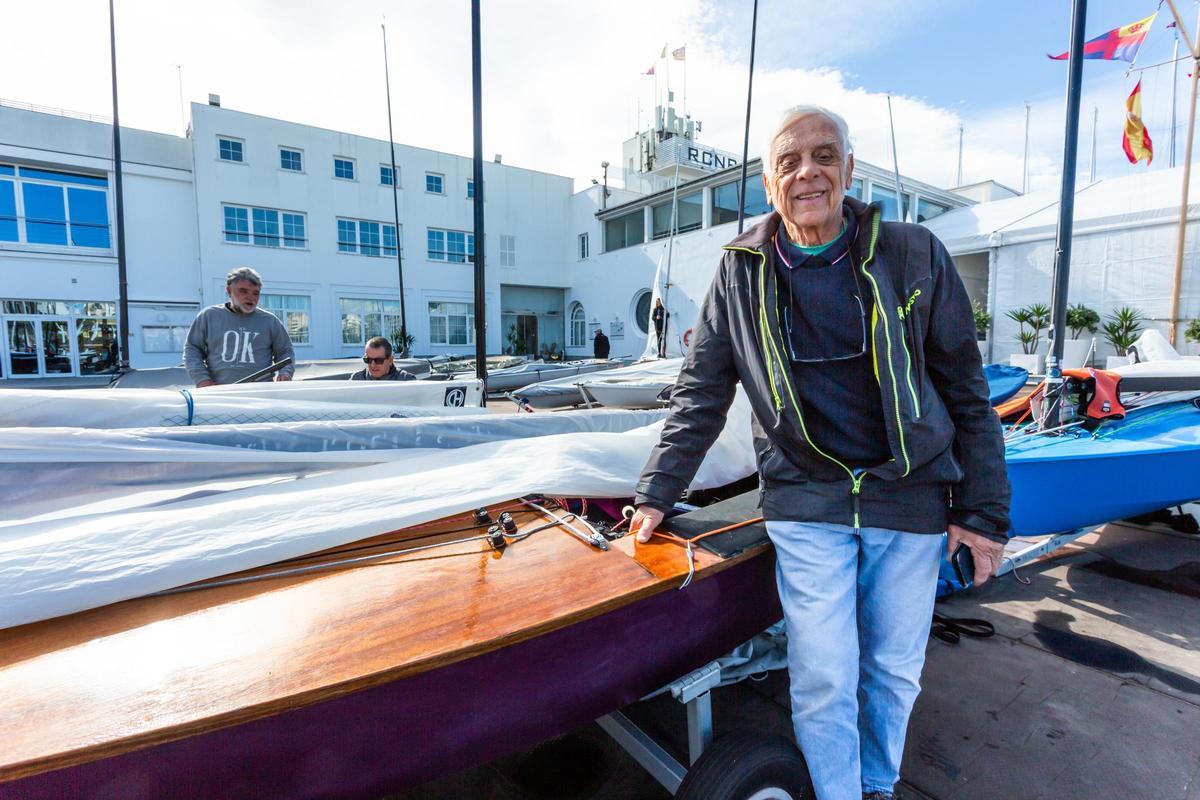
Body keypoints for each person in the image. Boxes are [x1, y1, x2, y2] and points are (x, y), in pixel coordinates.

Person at [629, 105, 1010, 800]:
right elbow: (700, 394)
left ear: (850, 170)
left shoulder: (914, 253)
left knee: (894, 668)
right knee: (826, 671)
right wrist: (658, 492)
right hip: (808, 501)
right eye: (789, 162)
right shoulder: (739, 273)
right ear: (770, 186)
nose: (808, 171)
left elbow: (965, 387)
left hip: (910, 494)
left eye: (825, 155)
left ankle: (876, 784)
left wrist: (983, 512)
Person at [184, 267, 295, 387]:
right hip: (218, 393)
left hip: (261, 393)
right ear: (228, 290)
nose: (251, 297)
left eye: (255, 293)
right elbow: (192, 349)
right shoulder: (208, 316)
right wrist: (202, 379)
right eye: (243, 291)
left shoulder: (270, 321)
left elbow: (285, 352)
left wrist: (285, 373)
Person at [349, 336, 414, 381]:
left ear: (390, 360)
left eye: (378, 360)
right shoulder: (356, 379)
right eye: (368, 360)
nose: (372, 365)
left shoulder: (407, 380)